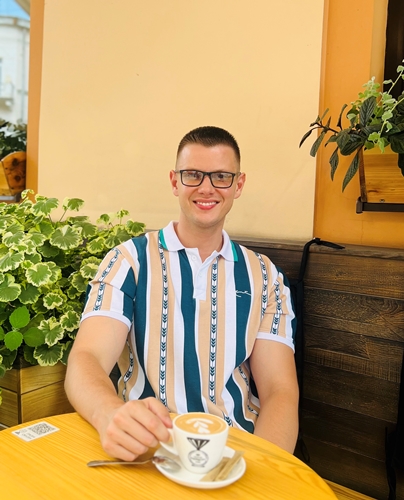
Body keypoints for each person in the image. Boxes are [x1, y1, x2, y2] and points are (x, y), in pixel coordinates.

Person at [64, 126, 299, 461]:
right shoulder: (128, 261)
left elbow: (279, 390)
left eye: (221, 176)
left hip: (235, 451)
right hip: (146, 447)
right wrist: (109, 415)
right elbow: (87, 358)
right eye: (193, 175)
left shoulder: (266, 276)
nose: (206, 188)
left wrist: (264, 469)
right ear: (175, 182)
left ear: (238, 185)